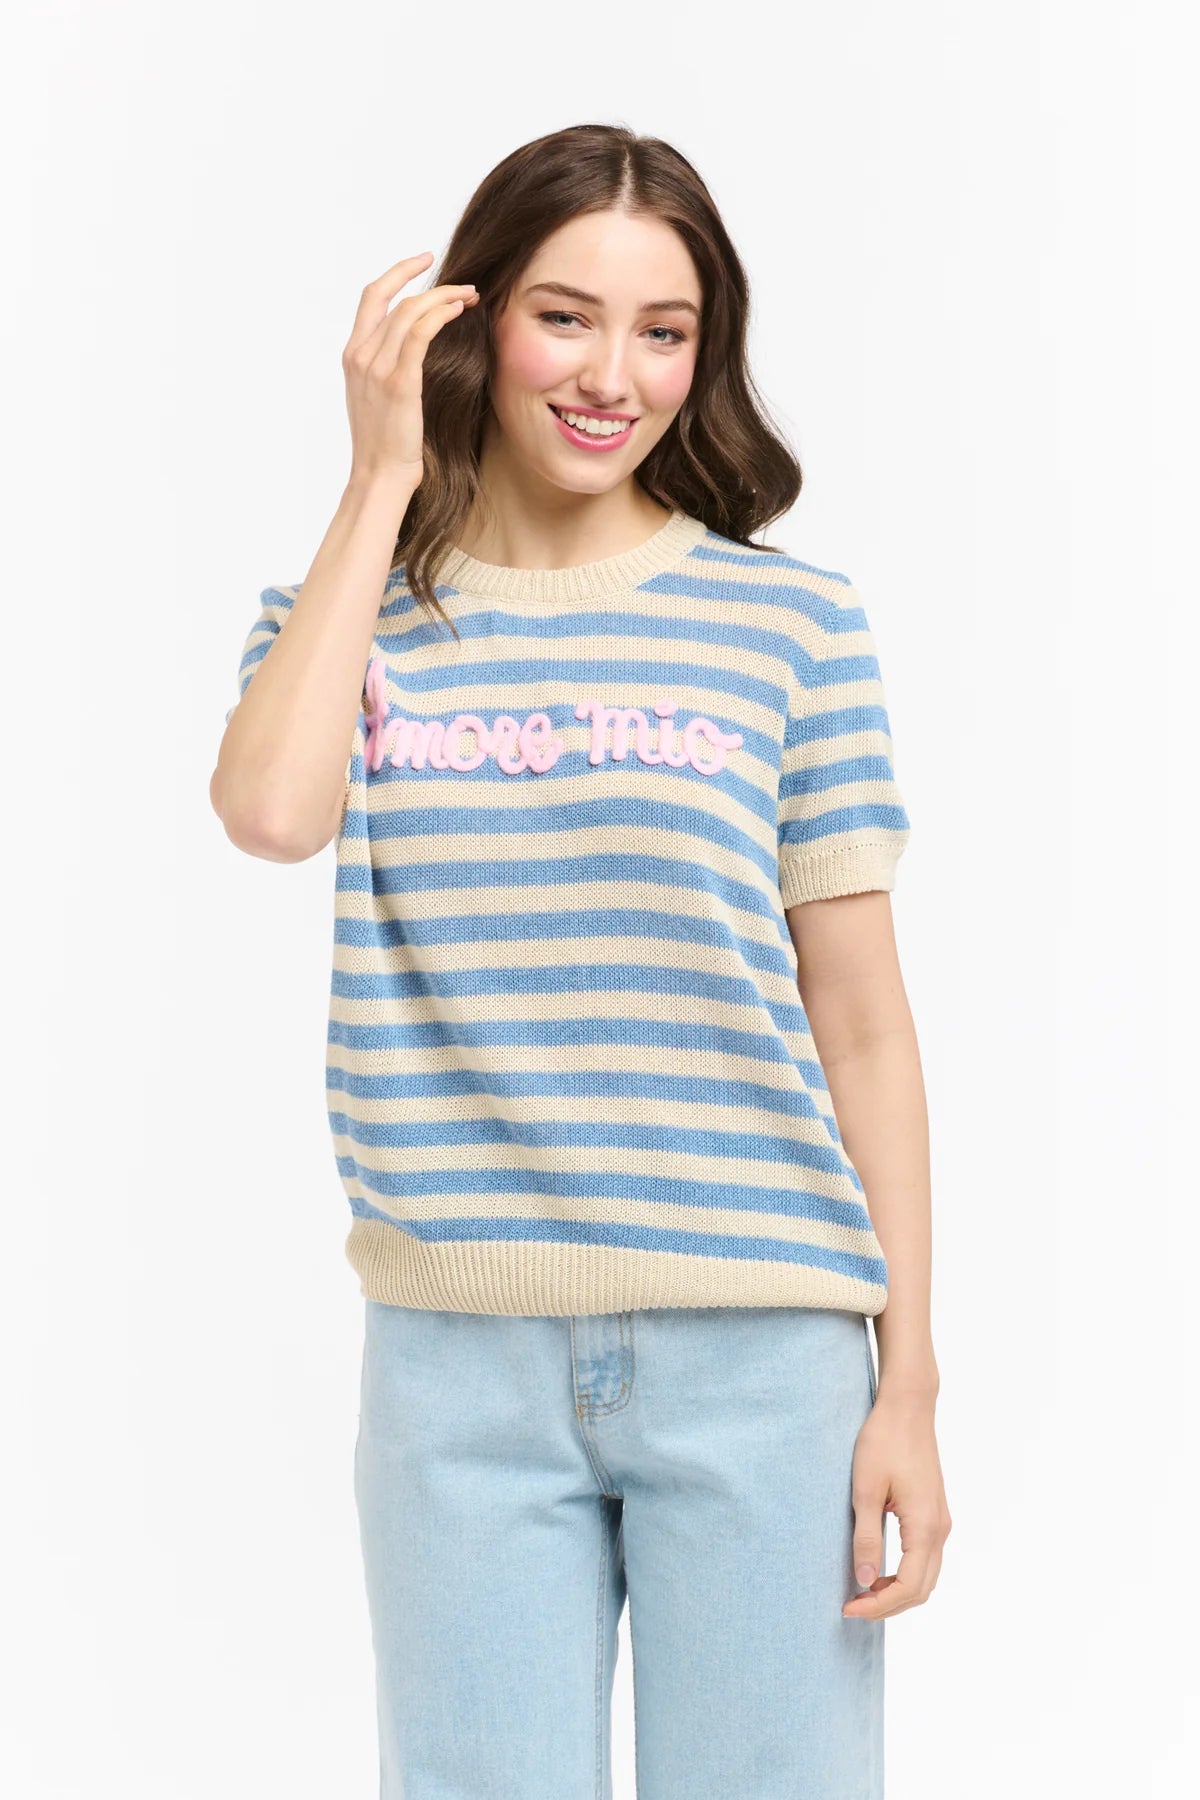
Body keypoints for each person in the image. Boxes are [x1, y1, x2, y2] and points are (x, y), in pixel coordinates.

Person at [211, 122, 951, 1800]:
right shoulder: (349, 615)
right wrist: (380, 480)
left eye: (664, 331)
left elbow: (864, 1028)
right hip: (456, 1363)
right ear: (472, 321)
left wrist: (906, 1382)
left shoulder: (791, 628)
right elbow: (268, 814)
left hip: (764, 1354)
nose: (615, 375)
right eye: (565, 317)